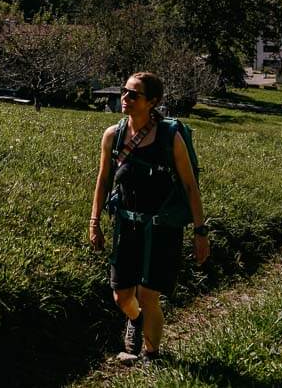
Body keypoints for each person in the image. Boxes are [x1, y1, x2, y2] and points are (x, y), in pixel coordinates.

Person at [89, 72, 209, 365]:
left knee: (148, 294)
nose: (125, 99)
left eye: (133, 94)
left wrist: (200, 231)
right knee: (121, 295)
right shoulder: (113, 135)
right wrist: (94, 222)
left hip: (162, 227)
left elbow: (190, 185)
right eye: (124, 92)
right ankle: (136, 320)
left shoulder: (170, 137)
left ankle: (151, 355)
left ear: (152, 102)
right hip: (126, 225)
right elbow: (103, 181)